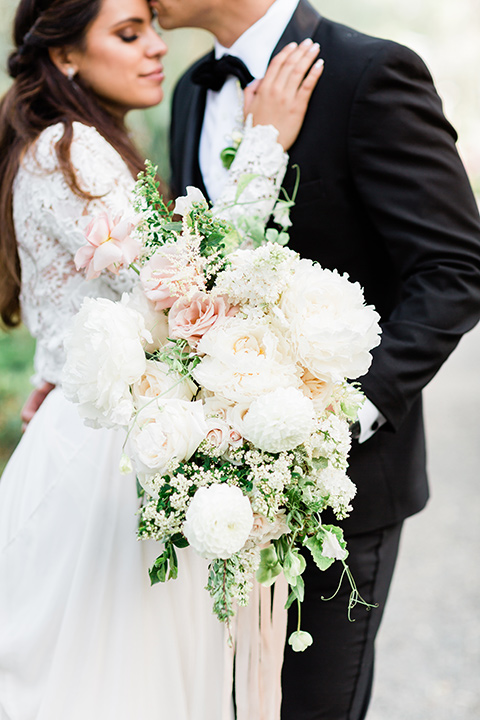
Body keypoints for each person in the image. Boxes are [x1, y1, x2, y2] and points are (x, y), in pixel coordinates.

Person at [156, 0, 480, 718]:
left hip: (341, 484)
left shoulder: (370, 72)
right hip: (216, 487)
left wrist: (346, 414)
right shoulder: (190, 93)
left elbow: (455, 269)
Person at [0, 0, 324, 717]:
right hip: (106, 461)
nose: (155, 47)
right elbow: (188, 289)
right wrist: (264, 145)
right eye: (127, 33)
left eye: (151, 26)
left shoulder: (68, 144)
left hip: (87, 433)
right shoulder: (72, 150)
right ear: (64, 56)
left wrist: (55, 368)